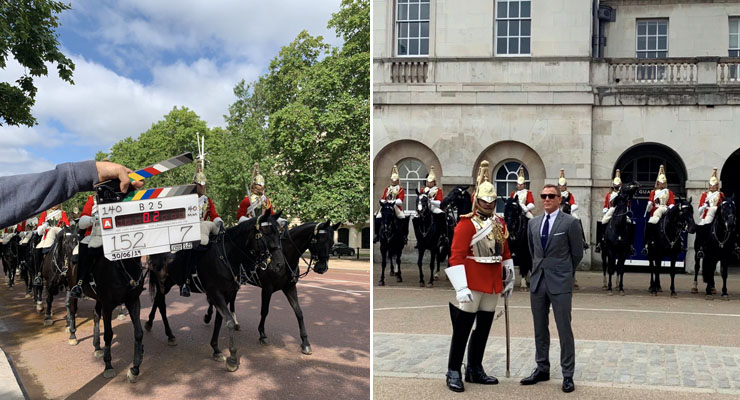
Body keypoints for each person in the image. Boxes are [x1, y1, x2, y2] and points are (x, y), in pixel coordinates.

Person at [444, 160, 514, 393]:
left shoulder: (499, 222)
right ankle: (453, 369)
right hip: (472, 280)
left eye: (492, 201)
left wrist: (510, 277)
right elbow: (456, 256)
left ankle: (474, 367)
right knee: (462, 329)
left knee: (483, 328)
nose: (489, 204)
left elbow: (504, 252)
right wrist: (461, 286)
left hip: (492, 281)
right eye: (485, 201)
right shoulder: (466, 224)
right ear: (477, 200)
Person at [523, 184, 583, 393]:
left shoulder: (570, 223)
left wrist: (565, 272)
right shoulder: (534, 223)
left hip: (560, 281)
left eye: (551, 196)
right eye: (543, 196)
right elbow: (533, 251)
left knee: (564, 329)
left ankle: (568, 374)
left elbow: (577, 253)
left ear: (559, 199)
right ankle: (542, 367)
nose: (546, 199)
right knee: (540, 328)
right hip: (538, 281)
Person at [0, 160, 144, 228]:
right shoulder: (91, 200)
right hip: (95, 231)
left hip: (117, 229)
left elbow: (67, 222)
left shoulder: (61, 213)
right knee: (84, 251)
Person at [181, 139, 223, 297]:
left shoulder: (207, 200)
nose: (203, 187)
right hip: (190, 230)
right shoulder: (187, 199)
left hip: (205, 230)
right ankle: (185, 281)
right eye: (201, 184)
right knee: (189, 252)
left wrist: (219, 221)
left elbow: (214, 214)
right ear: (195, 185)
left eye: (204, 184)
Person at [642, 165, 675, 255]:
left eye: (664, 183)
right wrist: (649, 204)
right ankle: (646, 243)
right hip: (655, 211)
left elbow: (671, 203)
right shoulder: (653, 192)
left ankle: (678, 242)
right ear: (658, 183)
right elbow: (649, 209)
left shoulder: (669, 192)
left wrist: (670, 207)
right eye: (661, 183)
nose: (662, 184)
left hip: (666, 209)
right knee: (650, 223)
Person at [695, 168, 723, 258]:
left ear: (717, 186)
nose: (712, 187)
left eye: (714, 185)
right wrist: (703, 206)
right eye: (710, 185)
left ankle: (734, 245)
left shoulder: (720, 194)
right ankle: (700, 247)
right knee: (700, 228)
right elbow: (699, 209)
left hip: (717, 214)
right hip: (706, 215)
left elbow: (722, 206)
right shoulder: (705, 195)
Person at [374, 165, 405, 243]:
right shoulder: (387, 189)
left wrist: (392, 202)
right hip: (386, 205)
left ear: (398, 181)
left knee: (402, 217)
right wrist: (383, 201)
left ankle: (404, 235)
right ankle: (377, 234)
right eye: (393, 180)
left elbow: (400, 201)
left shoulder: (400, 189)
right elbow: (383, 197)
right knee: (377, 216)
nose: (394, 182)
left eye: (396, 180)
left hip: (395, 206)